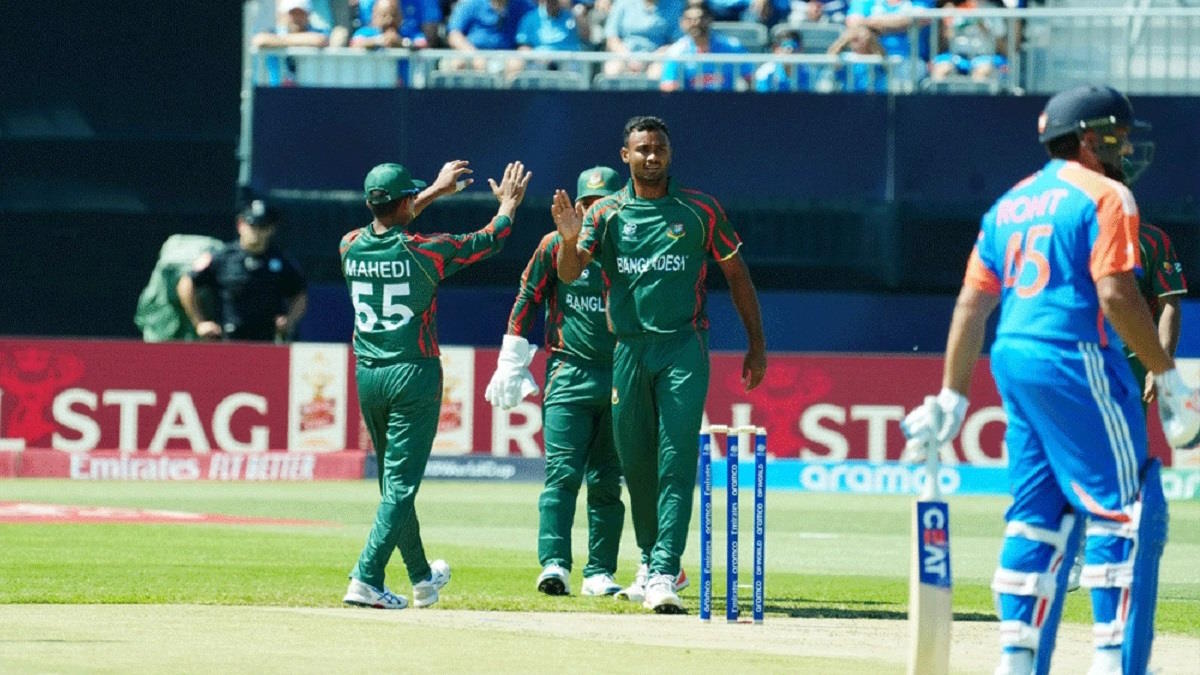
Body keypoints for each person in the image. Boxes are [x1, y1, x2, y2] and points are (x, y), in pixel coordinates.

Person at [900, 85, 1200, 675]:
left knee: (1036, 515)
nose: (1124, 147)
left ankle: (1016, 658)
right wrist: (1168, 379)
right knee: (1127, 509)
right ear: (1089, 138)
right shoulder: (1108, 195)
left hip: (1014, 356)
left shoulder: (1010, 204)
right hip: (1077, 353)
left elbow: (972, 304)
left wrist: (953, 395)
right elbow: (1116, 294)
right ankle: (1114, 659)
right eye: (1117, 135)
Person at [552, 115, 767, 613]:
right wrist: (567, 239)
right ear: (625, 155)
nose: (652, 156)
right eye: (643, 149)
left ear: (669, 153)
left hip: (683, 347)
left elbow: (737, 275)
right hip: (627, 348)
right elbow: (569, 273)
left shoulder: (699, 209)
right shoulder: (605, 213)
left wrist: (756, 345)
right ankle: (651, 560)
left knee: (675, 458)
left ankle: (665, 569)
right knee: (636, 463)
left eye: (659, 149)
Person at [340, 159, 531, 610]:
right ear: (405, 201)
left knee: (393, 485)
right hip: (413, 373)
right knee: (401, 487)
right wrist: (507, 205)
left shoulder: (349, 246)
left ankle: (422, 579)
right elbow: (490, 239)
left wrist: (432, 193)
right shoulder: (426, 252)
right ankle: (366, 577)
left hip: (368, 375)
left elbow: (390, 219)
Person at [484, 166, 626, 597]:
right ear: (575, 206)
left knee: (607, 481)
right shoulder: (553, 245)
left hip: (620, 376)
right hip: (569, 373)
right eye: (587, 204)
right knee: (562, 475)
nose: (593, 212)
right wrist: (510, 359)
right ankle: (555, 565)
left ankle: (600, 573)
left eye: (603, 204)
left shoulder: (629, 246)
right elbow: (528, 297)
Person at [177, 200, 307, 343]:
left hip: (268, 342)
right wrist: (200, 323)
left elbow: (299, 294)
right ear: (240, 225)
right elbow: (186, 283)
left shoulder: (281, 261)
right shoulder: (222, 257)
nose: (257, 232)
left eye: (262, 226)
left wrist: (289, 320)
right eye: (252, 225)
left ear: (271, 229)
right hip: (227, 340)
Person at [659, 1, 754, 92]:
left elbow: (751, 78)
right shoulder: (676, 52)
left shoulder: (732, 47)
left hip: (727, 101)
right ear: (682, 22)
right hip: (690, 102)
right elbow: (668, 85)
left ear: (710, 19)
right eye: (689, 19)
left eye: (700, 18)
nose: (695, 23)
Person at [754, 27, 810, 92]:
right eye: (785, 45)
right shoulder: (765, 72)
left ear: (800, 49)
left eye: (794, 45)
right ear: (776, 49)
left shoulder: (810, 73)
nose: (791, 50)